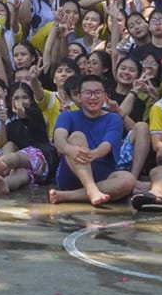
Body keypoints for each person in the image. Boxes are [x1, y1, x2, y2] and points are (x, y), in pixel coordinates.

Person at [50, 76, 134, 208]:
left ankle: (67, 196)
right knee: (77, 136)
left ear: (105, 96)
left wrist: (92, 154)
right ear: (80, 97)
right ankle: (91, 190)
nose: (93, 97)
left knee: (128, 180)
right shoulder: (67, 116)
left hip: (103, 176)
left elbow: (107, 144)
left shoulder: (114, 118)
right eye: (88, 93)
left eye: (97, 93)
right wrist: (69, 149)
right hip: (73, 170)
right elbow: (59, 139)